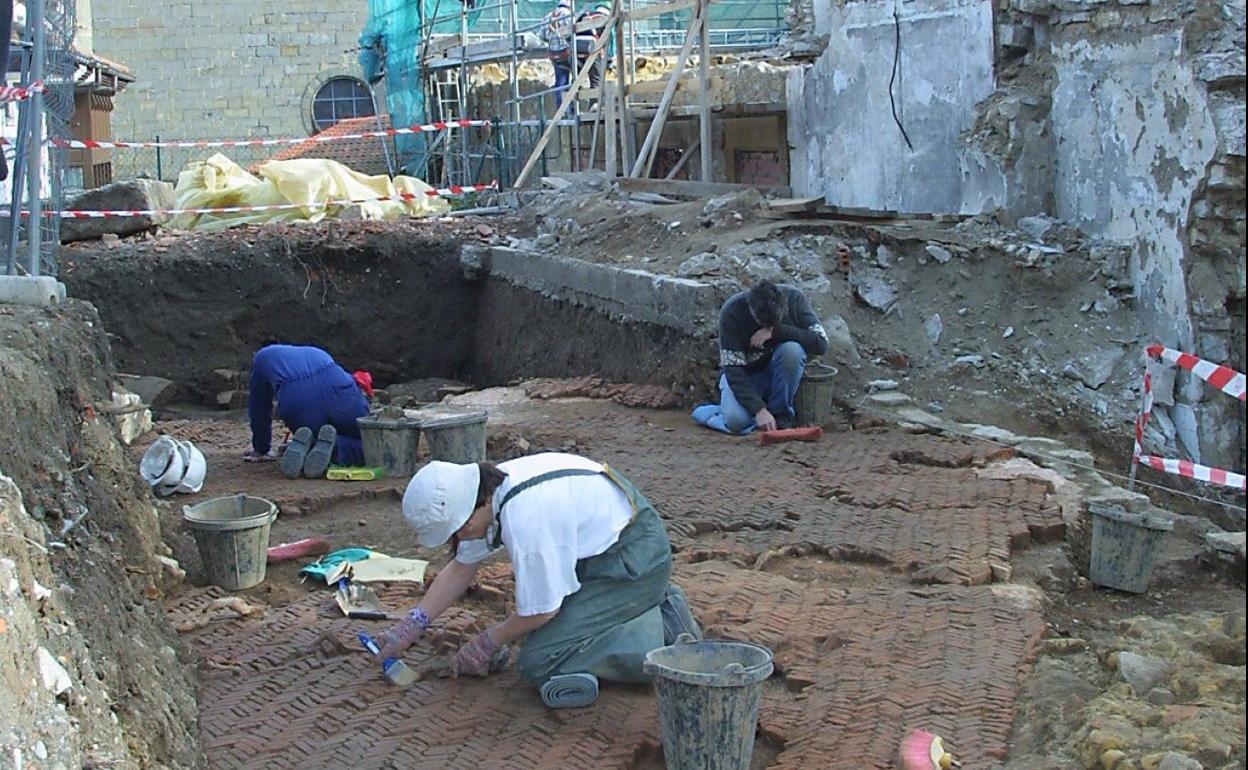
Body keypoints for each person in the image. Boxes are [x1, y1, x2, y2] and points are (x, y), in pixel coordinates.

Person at [374, 452, 701, 709]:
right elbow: (462, 566)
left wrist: (488, 641)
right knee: (543, 636)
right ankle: (646, 606)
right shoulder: (490, 491)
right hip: (604, 548)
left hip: (635, 559)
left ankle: (662, 636)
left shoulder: (526, 519)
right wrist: (412, 625)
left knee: (539, 661)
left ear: (478, 503)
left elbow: (542, 611)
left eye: (458, 529)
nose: (460, 537)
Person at [693, 280, 829, 434]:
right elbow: (733, 370)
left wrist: (777, 331)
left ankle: (781, 417)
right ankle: (711, 411)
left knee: (792, 350)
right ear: (751, 310)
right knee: (736, 422)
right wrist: (759, 410)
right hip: (745, 376)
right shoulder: (731, 313)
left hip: (777, 375)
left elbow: (821, 343)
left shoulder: (795, 299)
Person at [243, 343, 373, 479]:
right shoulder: (315, 351)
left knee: (314, 434)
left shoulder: (261, 359)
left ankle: (310, 445)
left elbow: (259, 408)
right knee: (366, 440)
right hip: (339, 385)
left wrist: (261, 448)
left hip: (298, 396)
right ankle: (338, 448)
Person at [540, 0, 575, 107]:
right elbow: (575, 32)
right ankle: (573, 107)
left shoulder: (548, 16)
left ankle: (561, 110)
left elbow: (542, 35)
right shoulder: (569, 15)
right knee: (577, 79)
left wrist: (553, 40)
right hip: (567, 52)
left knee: (560, 82)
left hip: (555, 55)